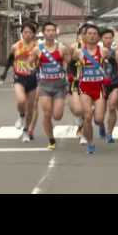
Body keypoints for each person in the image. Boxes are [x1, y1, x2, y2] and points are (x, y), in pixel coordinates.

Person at [29, 22, 71, 150]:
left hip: (59, 86)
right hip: (44, 86)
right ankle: (51, 139)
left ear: (56, 32)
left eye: (53, 30)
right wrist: (34, 65)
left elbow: (68, 63)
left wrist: (65, 68)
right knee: (47, 114)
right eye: (48, 30)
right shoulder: (37, 49)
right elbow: (30, 63)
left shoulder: (62, 48)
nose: (50, 32)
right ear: (44, 32)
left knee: (57, 116)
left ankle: (52, 128)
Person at [72, 24, 110, 154]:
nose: (92, 36)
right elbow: (71, 65)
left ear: (98, 37)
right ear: (85, 36)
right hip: (85, 88)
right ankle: (90, 142)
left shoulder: (103, 51)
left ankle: (101, 125)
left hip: (99, 88)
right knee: (87, 117)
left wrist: (109, 76)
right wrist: (71, 77)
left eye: (95, 34)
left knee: (98, 119)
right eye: (89, 33)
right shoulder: (79, 52)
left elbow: (112, 65)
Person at [0, 23, 39, 142]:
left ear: (33, 34)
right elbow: (10, 59)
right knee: (21, 100)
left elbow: (43, 61)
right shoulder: (15, 46)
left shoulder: (38, 47)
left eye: (30, 32)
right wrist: (5, 72)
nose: (27, 35)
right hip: (19, 77)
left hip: (33, 78)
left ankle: (26, 131)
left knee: (31, 108)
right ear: (22, 33)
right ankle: (21, 115)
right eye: (25, 32)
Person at [68, 24, 88, 145]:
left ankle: (84, 135)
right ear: (79, 34)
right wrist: (70, 75)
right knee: (77, 109)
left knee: (87, 110)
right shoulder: (74, 47)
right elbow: (69, 63)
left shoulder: (98, 48)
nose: (86, 35)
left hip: (92, 82)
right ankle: (79, 122)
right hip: (77, 81)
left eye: (89, 33)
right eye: (83, 33)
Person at [101, 28, 118, 144]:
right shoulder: (96, 51)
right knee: (100, 113)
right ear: (101, 39)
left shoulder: (115, 52)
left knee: (112, 107)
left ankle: (109, 133)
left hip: (114, 83)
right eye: (105, 38)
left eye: (110, 38)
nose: (108, 40)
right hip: (100, 85)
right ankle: (101, 125)